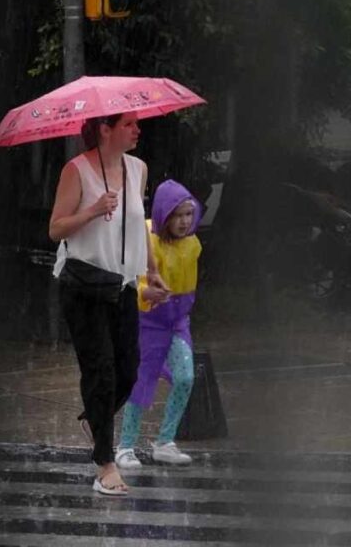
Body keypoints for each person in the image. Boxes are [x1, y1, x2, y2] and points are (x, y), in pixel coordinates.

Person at [48, 111, 169, 496]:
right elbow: (55, 228)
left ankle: (94, 417)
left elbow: (138, 223)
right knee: (100, 371)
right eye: (128, 124)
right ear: (105, 129)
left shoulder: (138, 169)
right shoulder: (76, 170)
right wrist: (93, 210)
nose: (137, 129)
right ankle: (105, 464)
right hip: (84, 284)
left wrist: (151, 270)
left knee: (129, 370)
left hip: (123, 284)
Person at [115, 179, 202, 469]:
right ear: (164, 214)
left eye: (188, 214)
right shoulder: (147, 239)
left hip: (176, 322)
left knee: (185, 377)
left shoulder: (192, 244)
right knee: (141, 382)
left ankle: (165, 441)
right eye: (177, 215)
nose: (184, 221)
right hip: (148, 323)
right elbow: (132, 278)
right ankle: (126, 445)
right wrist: (145, 294)